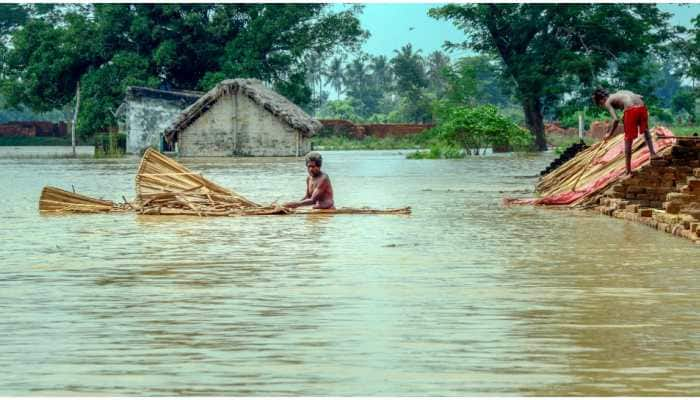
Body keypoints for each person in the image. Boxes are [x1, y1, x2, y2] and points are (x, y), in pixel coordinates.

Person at [592, 88, 657, 175]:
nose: (603, 105)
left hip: (631, 110)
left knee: (628, 139)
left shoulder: (608, 102)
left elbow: (615, 119)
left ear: (602, 100)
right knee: (646, 130)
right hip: (642, 107)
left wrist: (609, 134)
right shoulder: (620, 93)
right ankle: (653, 153)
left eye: (601, 104)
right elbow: (641, 96)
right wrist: (626, 111)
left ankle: (628, 170)